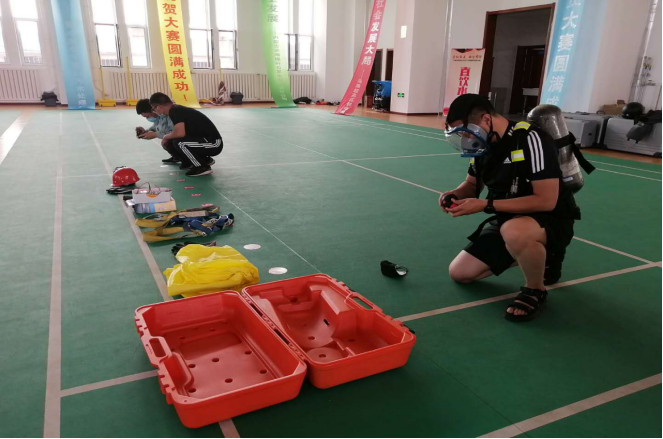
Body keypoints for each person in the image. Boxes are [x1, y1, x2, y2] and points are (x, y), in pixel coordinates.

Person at [442, 94, 580, 323]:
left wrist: (486, 205)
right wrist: (454, 195)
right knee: (460, 273)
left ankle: (535, 289)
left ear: (486, 119)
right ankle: (539, 256)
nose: (466, 138)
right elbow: (471, 185)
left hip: (550, 219)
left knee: (514, 232)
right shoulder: (483, 143)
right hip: (508, 219)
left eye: (466, 131)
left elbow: (546, 201)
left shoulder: (531, 139)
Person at [149, 93, 223, 177]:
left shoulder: (175, 111)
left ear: (159, 107)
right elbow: (177, 132)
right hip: (203, 140)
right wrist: (167, 138)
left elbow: (180, 133)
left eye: (153, 108)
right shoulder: (175, 110)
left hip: (213, 144)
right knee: (172, 141)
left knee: (180, 143)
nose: (154, 111)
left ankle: (202, 167)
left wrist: (165, 137)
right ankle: (201, 160)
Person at [135, 99, 178, 164]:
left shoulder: (169, 115)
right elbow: (155, 127)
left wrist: (156, 134)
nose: (148, 119)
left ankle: (186, 160)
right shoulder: (159, 116)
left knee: (170, 142)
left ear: (152, 110)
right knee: (167, 142)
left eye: (147, 116)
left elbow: (175, 133)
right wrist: (145, 132)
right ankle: (177, 156)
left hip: (185, 137)